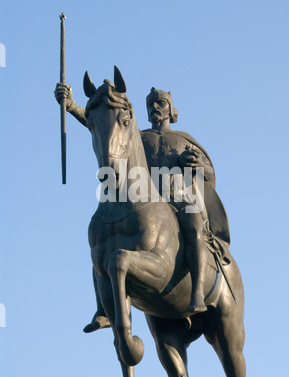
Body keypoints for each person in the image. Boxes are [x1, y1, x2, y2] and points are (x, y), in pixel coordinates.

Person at [54, 82, 231, 331]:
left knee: (193, 226)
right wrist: (71, 106)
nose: (155, 108)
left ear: (171, 110)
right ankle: (104, 310)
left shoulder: (185, 140)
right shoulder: (139, 136)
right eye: (151, 105)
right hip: (146, 200)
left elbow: (209, 175)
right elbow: (105, 123)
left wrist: (197, 164)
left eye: (160, 103)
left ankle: (198, 293)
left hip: (181, 198)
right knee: (103, 237)